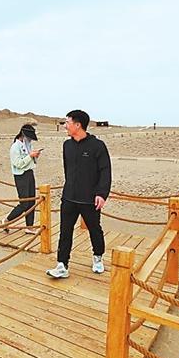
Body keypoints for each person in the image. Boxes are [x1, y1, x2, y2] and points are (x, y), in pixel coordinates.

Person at [47, 109, 111, 278]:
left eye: (67, 122)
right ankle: (62, 264)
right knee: (65, 231)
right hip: (69, 197)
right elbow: (67, 169)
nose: (64, 126)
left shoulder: (97, 146)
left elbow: (105, 171)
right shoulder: (67, 145)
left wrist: (102, 194)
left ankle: (98, 257)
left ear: (77, 125)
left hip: (90, 199)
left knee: (94, 229)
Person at [0, 124, 41, 235]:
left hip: (29, 173)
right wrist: (30, 156)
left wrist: (35, 156)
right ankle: (7, 220)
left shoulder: (28, 144)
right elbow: (18, 163)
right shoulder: (15, 147)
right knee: (24, 203)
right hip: (21, 176)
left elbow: (30, 160)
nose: (30, 139)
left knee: (32, 201)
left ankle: (29, 226)